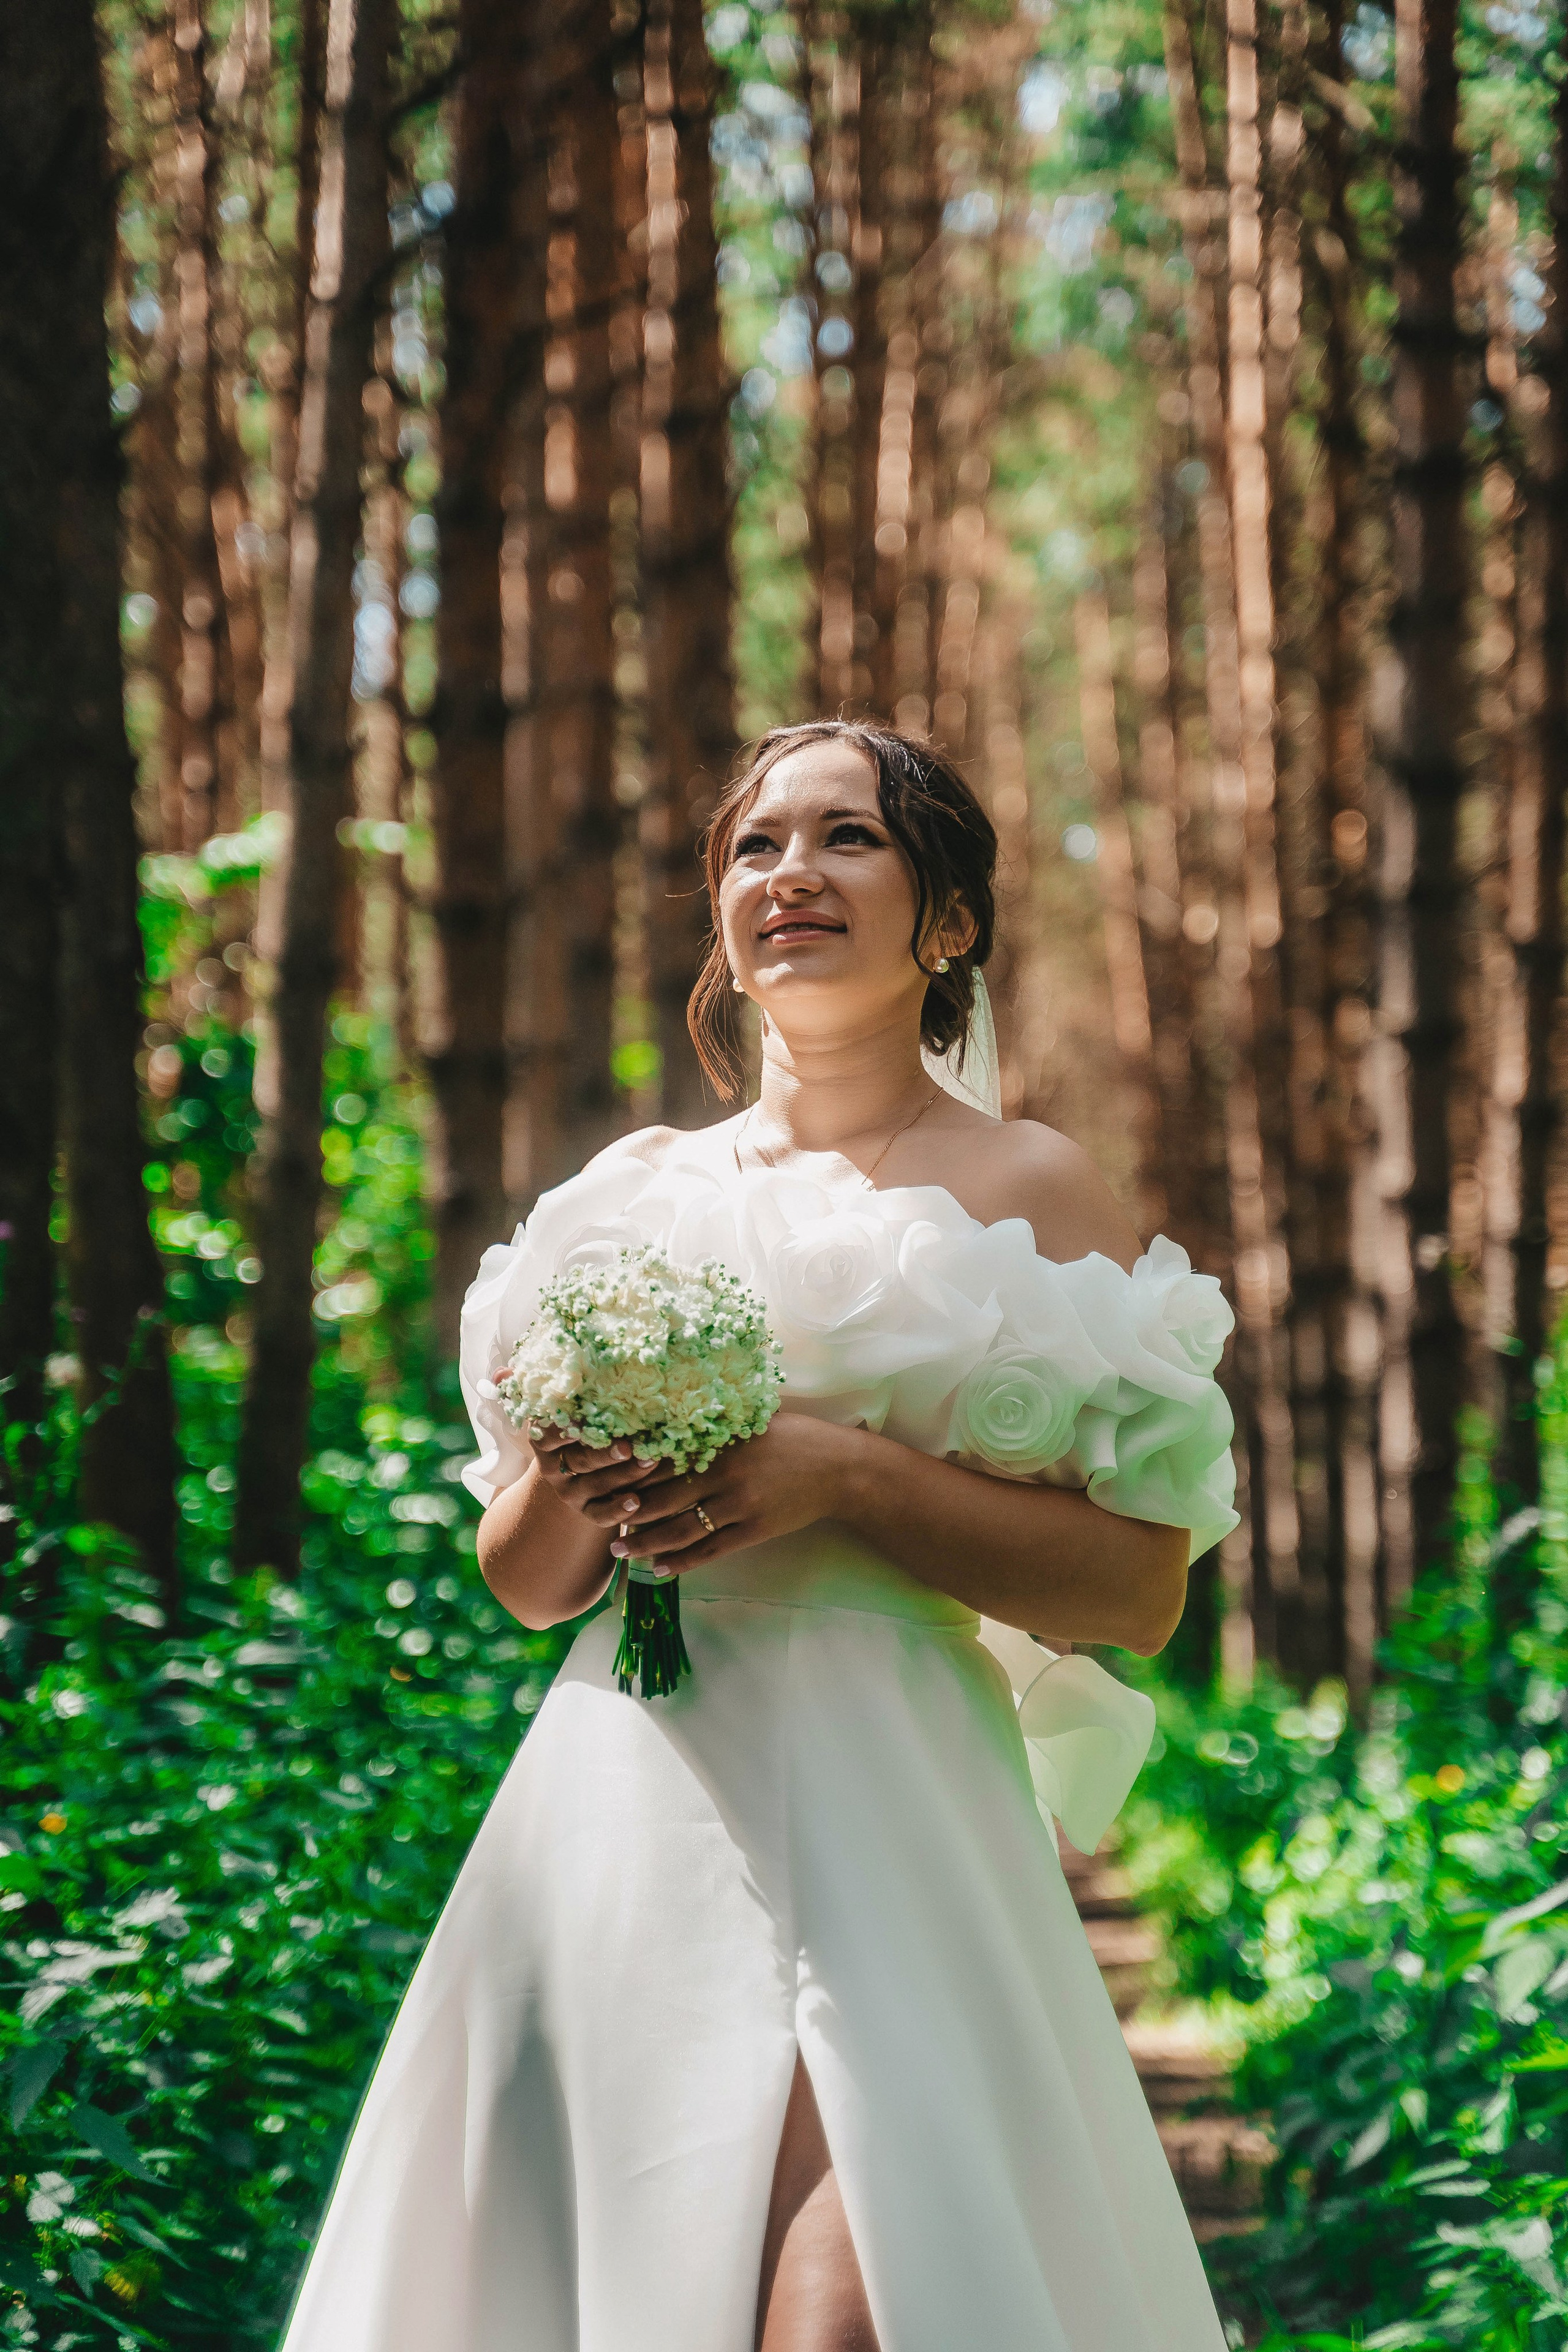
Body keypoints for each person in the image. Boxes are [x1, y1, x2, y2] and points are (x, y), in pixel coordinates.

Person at [279, 722, 1238, 2352]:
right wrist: (584, 1465)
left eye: (849, 837)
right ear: (723, 922)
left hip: (901, 1810)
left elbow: (1139, 1591)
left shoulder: (1034, 1189)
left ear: (948, 919)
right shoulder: (622, 1201)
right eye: (756, 847)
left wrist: (846, 1478)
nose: (792, 873)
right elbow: (528, 1585)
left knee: (856, 2310)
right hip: (629, 1802)